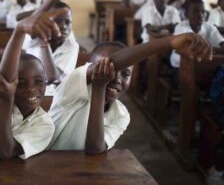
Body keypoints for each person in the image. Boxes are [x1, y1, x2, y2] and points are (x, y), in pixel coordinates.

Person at [48, 32, 212, 153]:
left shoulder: (121, 114)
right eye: (109, 70)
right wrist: (169, 42)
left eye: (125, 74)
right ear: (88, 68)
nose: (117, 78)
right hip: (42, 164)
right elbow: (111, 63)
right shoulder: (71, 85)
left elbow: (95, 148)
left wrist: (99, 88)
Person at [0, 0, 75, 160]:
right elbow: (7, 76)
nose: (31, 89)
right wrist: (50, 0)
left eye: (38, 82)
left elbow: (3, 154)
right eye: (21, 83)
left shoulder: (44, 124)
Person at [170, 0, 224, 68]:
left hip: (202, 64)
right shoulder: (180, 27)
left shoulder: (209, 26)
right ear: (186, 14)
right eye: (195, 11)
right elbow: (190, 50)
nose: (200, 15)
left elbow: (221, 43)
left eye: (203, 11)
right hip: (180, 65)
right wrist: (216, 50)